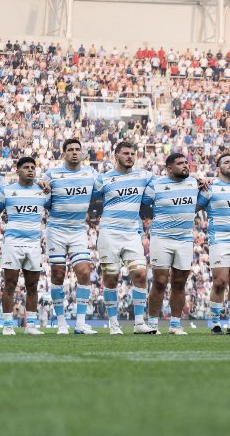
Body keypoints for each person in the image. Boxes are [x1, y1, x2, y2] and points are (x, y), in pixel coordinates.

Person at [92, 141, 157, 335]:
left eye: (132, 154)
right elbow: (90, 198)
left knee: (140, 274)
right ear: (116, 156)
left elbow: (164, 183)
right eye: (126, 153)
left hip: (132, 233)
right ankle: (113, 324)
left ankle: (139, 323)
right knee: (111, 278)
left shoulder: (144, 175)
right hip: (109, 233)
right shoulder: (103, 179)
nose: (130, 156)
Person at [41, 139, 98, 335]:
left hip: (78, 230)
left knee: (84, 272)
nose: (74, 152)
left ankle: (80, 324)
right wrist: (44, 192)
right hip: (56, 230)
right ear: (63, 153)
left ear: (82, 153)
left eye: (77, 149)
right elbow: (43, 198)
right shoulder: (51, 174)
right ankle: (62, 324)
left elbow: (103, 191)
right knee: (58, 274)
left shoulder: (91, 173)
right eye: (70, 150)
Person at [142, 153, 199, 335]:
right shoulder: (156, 185)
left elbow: (203, 202)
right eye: (180, 163)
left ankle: (175, 325)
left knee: (179, 283)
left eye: (186, 163)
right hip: (161, 239)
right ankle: (152, 323)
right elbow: (141, 204)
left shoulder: (195, 183)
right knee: (159, 281)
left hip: (185, 239)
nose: (185, 165)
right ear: (169, 169)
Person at [197, 154, 230, 335]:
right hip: (219, 240)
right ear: (218, 168)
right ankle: (215, 323)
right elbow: (195, 207)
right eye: (226, 162)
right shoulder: (210, 187)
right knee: (220, 282)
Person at [0, 157, 50, 335]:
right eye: (26, 167)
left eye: (33, 167)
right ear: (17, 171)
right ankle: (7, 325)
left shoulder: (43, 191)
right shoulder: (7, 191)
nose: (30, 170)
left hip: (34, 244)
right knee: (10, 284)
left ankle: (31, 326)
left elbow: (55, 209)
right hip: (13, 243)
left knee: (32, 285)